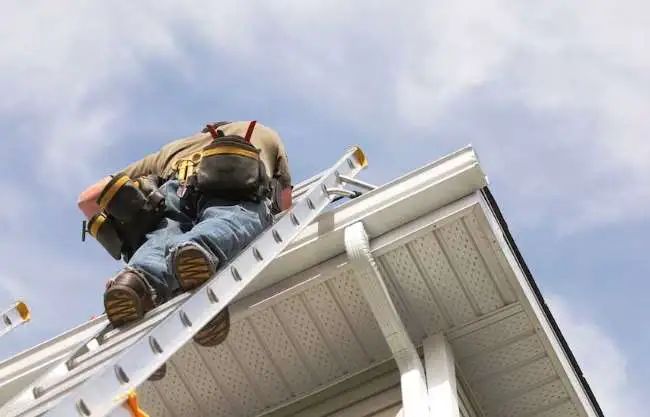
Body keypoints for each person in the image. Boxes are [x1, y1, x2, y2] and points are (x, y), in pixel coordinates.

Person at [78, 121, 292, 349]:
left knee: (162, 237)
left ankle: (135, 282)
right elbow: (286, 205)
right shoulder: (261, 131)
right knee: (230, 218)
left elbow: (88, 199)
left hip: (174, 191)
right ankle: (199, 249)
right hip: (235, 180)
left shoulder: (170, 151)